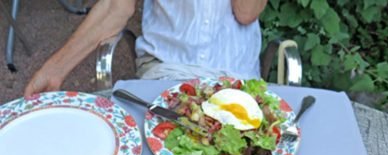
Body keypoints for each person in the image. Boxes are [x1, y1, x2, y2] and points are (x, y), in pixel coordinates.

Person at [24, 0, 267, 97]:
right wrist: (54, 70)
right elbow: (114, 8)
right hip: (165, 69)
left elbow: (246, 12)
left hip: (233, 72)